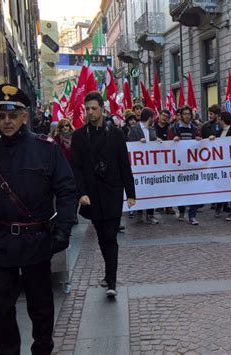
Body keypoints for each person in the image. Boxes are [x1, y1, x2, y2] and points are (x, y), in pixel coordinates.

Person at [0, 84, 76, 354]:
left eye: (13, 115)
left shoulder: (46, 149)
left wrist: (63, 229)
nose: (7, 121)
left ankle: (42, 349)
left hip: (36, 240)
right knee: (1, 308)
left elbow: (66, 190)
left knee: (41, 305)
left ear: (24, 116)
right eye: (2, 116)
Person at [71, 91, 136, 297]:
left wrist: (130, 193)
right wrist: (80, 193)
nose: (90, 112)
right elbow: (77, 168)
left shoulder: (116, 134)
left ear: (102, 109)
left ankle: (112, 281)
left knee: (111, 236)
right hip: (91, 195)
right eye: (87, 108)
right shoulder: (79, 136)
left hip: (112, 192)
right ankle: (109, 275)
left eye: (94, 108)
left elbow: (124, 165)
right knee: (102, 236)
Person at [168, 104, 201, 225]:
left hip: (192, 165)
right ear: (181, 115)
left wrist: (199, 140)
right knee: (181, 189)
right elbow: (168, 145)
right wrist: (173, 142)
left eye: (189, 114)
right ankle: (181, 211)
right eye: (185, 114)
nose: (187, 116)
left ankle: (192, 215)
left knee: (194, 190)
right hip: (179, 165)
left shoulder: (195, 128)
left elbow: (201, 142)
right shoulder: (173, 128)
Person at [127, 107, 159, 224]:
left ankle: (150, 214)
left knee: (151, 190)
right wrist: (137, 143)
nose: (154, 119)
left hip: (150, 166)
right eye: (153, 117)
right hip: (138, 167)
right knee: (140, 189)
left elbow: (154, 142)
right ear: (149, 118)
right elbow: (129, 145)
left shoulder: (152, 130)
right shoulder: (134, 130)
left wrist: (158, 141)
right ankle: (139, 213)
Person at [213, 112, 231, 221]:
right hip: (221, 166)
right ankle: (220, 206)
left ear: (222, 120)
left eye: (219, 118)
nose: (218, 120)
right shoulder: (219, 132)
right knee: (221, 186)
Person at [153, 109, 176, 215]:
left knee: (168, 182)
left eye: (167, 117)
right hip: (155, 159)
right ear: (160, 115)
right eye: (163, 115)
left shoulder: (170, 128)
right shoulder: (153, 127)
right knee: (158, 182)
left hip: (168, 159)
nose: (164, 118)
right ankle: (159, 204)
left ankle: (169, 206)